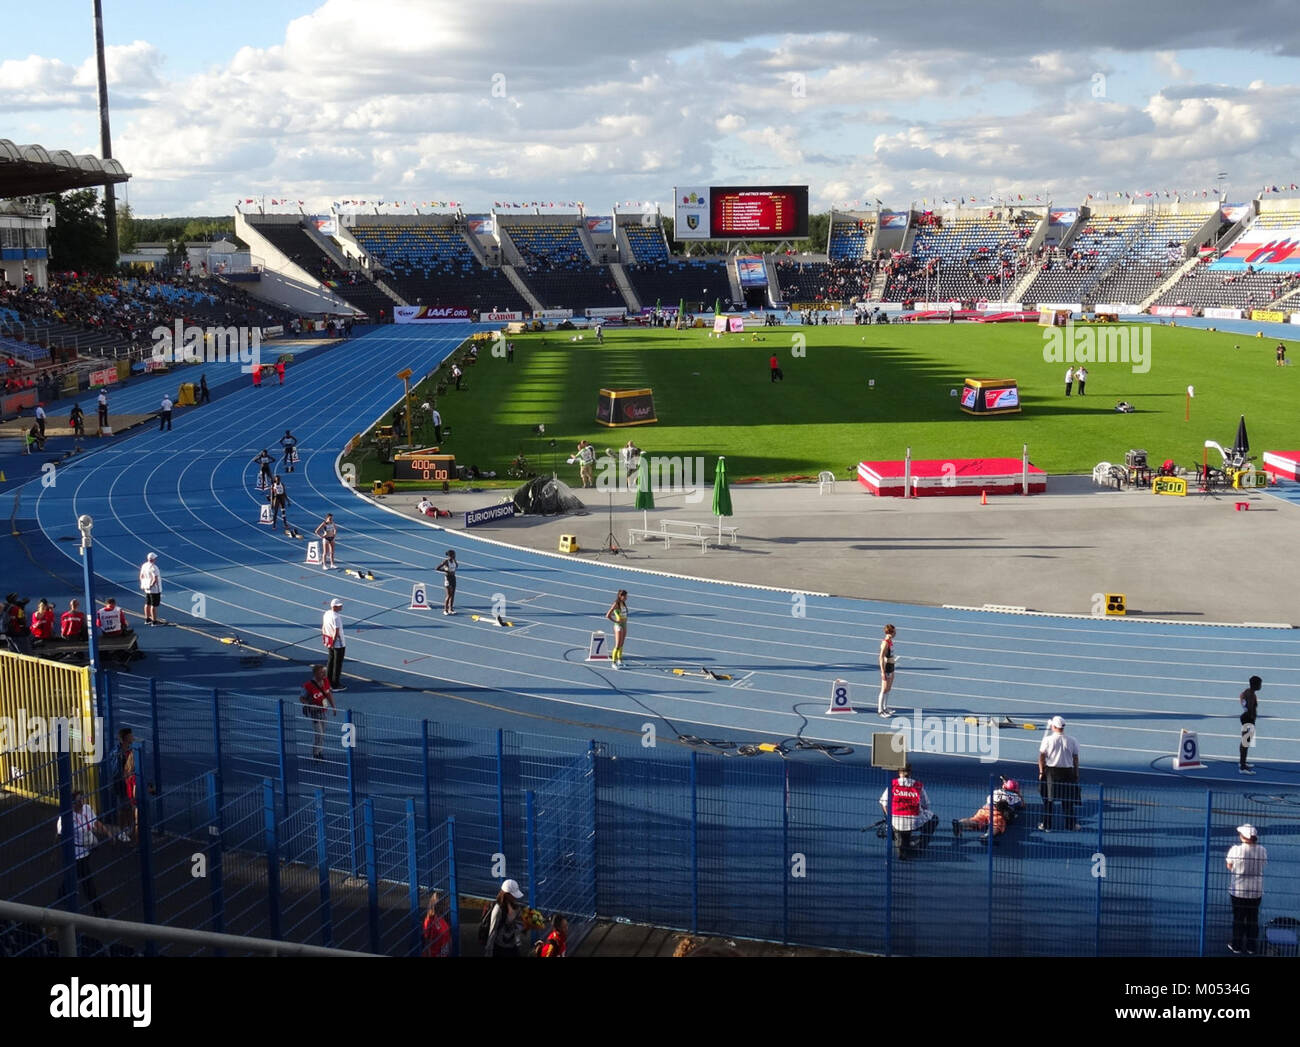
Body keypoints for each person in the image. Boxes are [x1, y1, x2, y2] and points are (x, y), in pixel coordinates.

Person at [56, 789, 112, 917]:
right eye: (78, 800)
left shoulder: (87, 809)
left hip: (87, 849)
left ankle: (62, 893)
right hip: (77, 854)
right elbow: (59, 835)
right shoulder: (66, 818)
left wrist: (107, 832)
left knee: (75, 874)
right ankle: (97, 907)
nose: (81, 802)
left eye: (82, 798)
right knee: (87, 880)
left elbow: (95, 822)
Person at [878, 764, 937, 859]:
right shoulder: (918, 786)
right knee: (934, 819)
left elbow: (883, 802)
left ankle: (894, 833)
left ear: (899, 772)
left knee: (901, 844)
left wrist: (889, 818)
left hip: (896, 821)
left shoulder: (893, 784)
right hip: (915, 821)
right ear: (910, 772)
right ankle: (921, 846)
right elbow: (926, 805)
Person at [1226, 824, 1267, 955]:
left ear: (1243, 837)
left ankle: (1237, 945)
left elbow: (1229, 866)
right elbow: (1263, 864)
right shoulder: (1262, 850)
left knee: (1238, 918)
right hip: (1256, 890)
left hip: (1238, 890)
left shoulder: (1235, 850)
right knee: (1253, 918)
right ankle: (1251, 946)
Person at [1037, 714, 1080, 831]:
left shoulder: (1047, 740)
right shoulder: (1072, 740)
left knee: (1048, 801)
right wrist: (1076, 773)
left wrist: (1041, 772)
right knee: (1068, 801)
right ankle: (1071, 825)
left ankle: (1047, 825)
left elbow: (1041, 756)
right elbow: (1075, 758)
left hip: (1051, 772)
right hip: (1068, 773)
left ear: (1054, 727)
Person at [953, 779, 1024, 840]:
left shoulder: (996, 791)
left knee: (976, 820)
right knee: (997, 825)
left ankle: (960, 823)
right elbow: (1022, 805)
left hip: (986, 808)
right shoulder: (1015, 796)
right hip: (997, 812)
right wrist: (1019, 795)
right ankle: (988, 835)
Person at [300, 664, 337, 760]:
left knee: (323, 733)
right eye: (322, 672)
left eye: (325, 672)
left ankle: (320, 751)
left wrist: (333, 707)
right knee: (319, 733)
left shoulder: (325, 681)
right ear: (316, 673)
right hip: (315, 713)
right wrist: (309, 704)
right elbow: (301, 698)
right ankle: (316, 753)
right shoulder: (308, 686)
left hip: (324, 711)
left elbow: (328, 694)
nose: (324, 674)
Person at [107, 727, 138, 842]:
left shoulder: (130, 750)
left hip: (128, 784)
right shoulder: (117, 753)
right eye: (131, 735)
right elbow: (116, 772)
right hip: (121, 785)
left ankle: (128, 829)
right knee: (123, 808)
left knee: (129, 807)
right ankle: (121, 831)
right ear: (125, 738)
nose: (133, 737)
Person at [484, 879, 526, 957]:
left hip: (512, 945)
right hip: (500, 947)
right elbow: (493, 931)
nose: (515, 897)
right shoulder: (498, 909)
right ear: (506, 894)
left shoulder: (516, 907)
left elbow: (518, 924)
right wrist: (489, 951)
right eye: (513, 895)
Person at [322, 598, 347, 690]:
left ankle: (328, 682)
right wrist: (333, 641)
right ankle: (335, 685)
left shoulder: (327, 613)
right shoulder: (336, 617)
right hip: (338, 644)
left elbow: (324, 626)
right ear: (335, 607)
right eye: (339, 605)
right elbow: (336, 631)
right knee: (337, 664)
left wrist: (325, 638)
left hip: (329, 640)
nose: (341, 606)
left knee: (330, 661)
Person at [1239, 675, 1262, 774]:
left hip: (1246, 718)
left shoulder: (1248, 691)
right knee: (1245, 743)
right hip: (1248, 719)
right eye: (1260, 684)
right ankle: (1242, 768)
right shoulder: (1251, 695)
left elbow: (1241, 696)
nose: (1261, 686)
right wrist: (1251, 716)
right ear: (1256, 685)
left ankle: (1242, 762)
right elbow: (1250, 707)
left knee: (1245, 742)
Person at [422, 891, 453, 957]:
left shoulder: (443, 917)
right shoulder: (430, 920)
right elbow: (427, 939)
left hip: (443, 951)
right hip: (435, 953)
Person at [877, 623, 897, 718]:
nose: (896, 633)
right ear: (890, 632)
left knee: (888, 688)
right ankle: (880, 710)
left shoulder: (890, 641)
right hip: (886, 667)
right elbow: (881, 657)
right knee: (884, 689)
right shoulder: (885, 643)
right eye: (894, 631)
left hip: (891, 666)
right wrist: (882, 672)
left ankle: (885, 707)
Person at [606, 590, 629, 669]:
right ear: (620, 596)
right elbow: (608, 615)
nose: (626, 598)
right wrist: (615, 621)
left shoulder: (623, 603)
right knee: (617, 645)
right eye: (625, 596)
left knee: (622, 644)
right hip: (618, 625)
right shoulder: (616, 604)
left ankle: (620, 660)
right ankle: (613, 662)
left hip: (624, 624)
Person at [138, 552, 163, 625]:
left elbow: (141, 576)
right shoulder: (154, 567)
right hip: (154, 589)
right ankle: (154, 621)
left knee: (147, 603)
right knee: (154, 605)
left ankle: (147, 618)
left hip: (147, 588)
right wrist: (151, 586)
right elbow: (155, 579)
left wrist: (144, 584)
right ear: (154, 559)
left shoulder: (144, 565)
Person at [436, 550, 457, 615]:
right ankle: (445, 610)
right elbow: (437, 568)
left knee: (453, 594)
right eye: (454, 554)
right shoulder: (446, 561)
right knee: (449, 595)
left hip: (453, 578)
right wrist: (445, 570)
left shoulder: (454, 561)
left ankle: (451, 609)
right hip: (448, 579)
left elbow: (457, 566)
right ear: (450, 555)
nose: (455, 556)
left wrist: (453, 570)